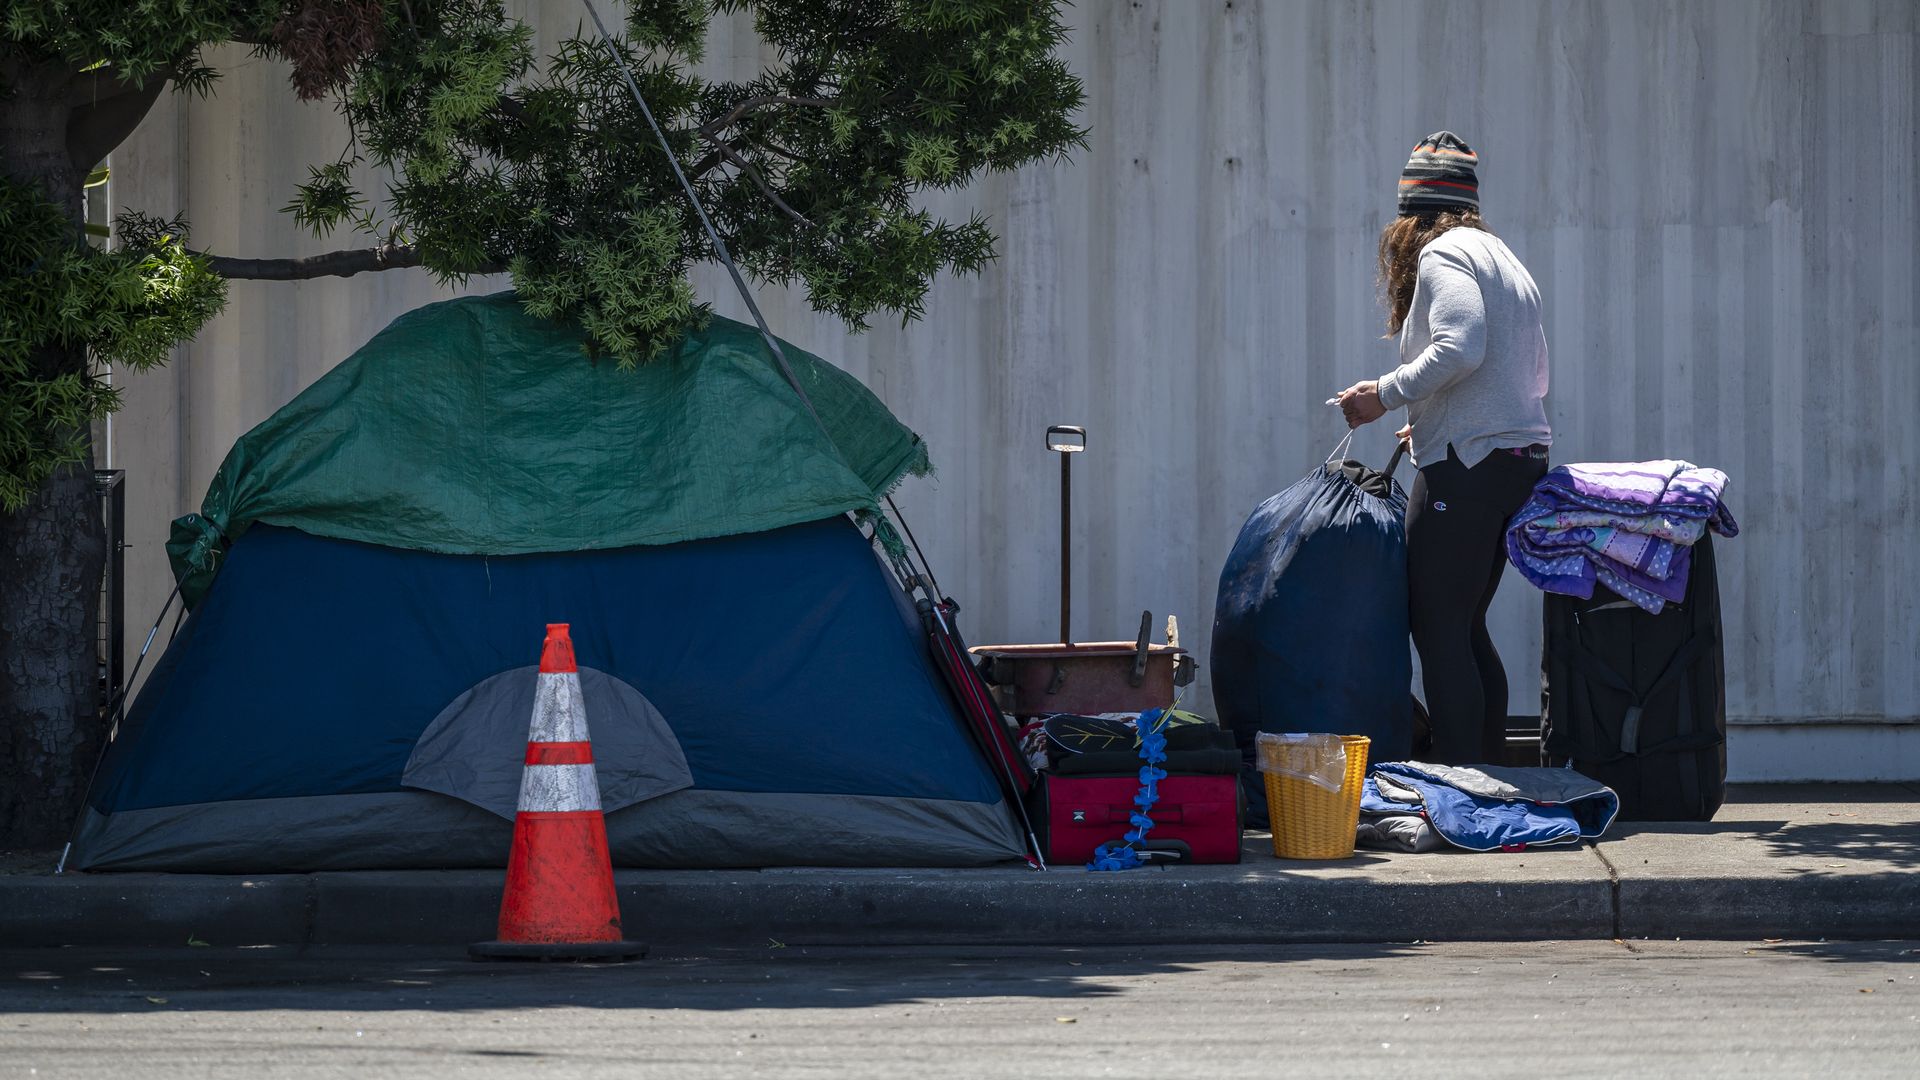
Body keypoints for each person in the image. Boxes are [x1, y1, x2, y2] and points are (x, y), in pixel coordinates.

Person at [1336, 131, 1551, 766]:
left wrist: (1385, 394)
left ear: (1413, 211)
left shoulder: (1441, 256)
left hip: (1469, 469)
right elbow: (1526, 370)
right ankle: (1489, 771)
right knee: (1464, 625)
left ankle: (1459, 781)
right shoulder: (1502, 255)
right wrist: (1434, 417)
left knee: (1436, 627)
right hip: (1514, 461)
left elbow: (1461, 344)